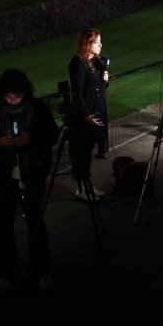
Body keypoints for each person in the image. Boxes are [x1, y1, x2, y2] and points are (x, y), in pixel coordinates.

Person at [0, 69, 60, 295]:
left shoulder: (37, 108)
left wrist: (31, 139)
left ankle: (42, 270)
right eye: (9, 97)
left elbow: (51, 134)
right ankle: (4, 274)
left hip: (32, 173)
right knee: (4, 225)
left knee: (35, 222)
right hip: (2, 175)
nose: (13, 101)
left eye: (17, 97)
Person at [67, 28, 109, 200]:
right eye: (97, 41)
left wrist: (105, 80)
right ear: (87, 43)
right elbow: (77, 91)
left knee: (90, 148)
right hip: (87, 112)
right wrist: (86, 114)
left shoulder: (97, 61)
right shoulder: (78, 63)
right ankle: (82, 188)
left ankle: (88, 185)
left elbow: (99, 86)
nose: (100, 44)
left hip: (99, 107)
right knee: (82, 150)